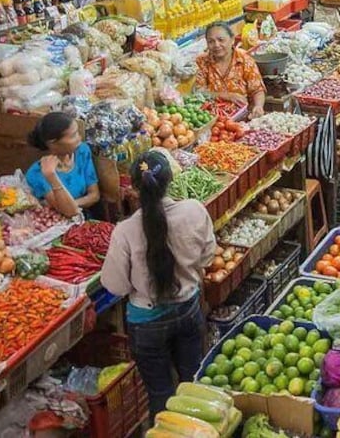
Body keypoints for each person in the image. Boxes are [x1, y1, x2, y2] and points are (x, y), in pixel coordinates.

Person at [100, 151, 216, 421]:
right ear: (171, 180)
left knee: (160, 394)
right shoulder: (194, 210)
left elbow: (114, 286)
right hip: (188, 308)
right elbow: (208, 256)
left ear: (133, 188)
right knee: (193, 381)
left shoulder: (125, 231)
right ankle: (199, 427)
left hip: (146, 321)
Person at [26, 112, 100, 218]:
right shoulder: (37, 173)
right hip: (57, 225)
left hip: (84, 219)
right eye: (73, 135)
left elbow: (94, 195)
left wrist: (71, 204)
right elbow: (69, 212)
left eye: (78, 133)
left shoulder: (82, 151)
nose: (79, 138)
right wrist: (51, 176)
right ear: (52, 143)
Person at [195, 21, 266, 118]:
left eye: (221, 40)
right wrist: (227, 96)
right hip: (213, 118)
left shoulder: (244, 60)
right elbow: (199, 92)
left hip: (244, 116)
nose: (216, 45)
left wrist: (258, 106)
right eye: (211, 41)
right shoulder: (201, 62)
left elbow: (257, 89)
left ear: (232, 40)